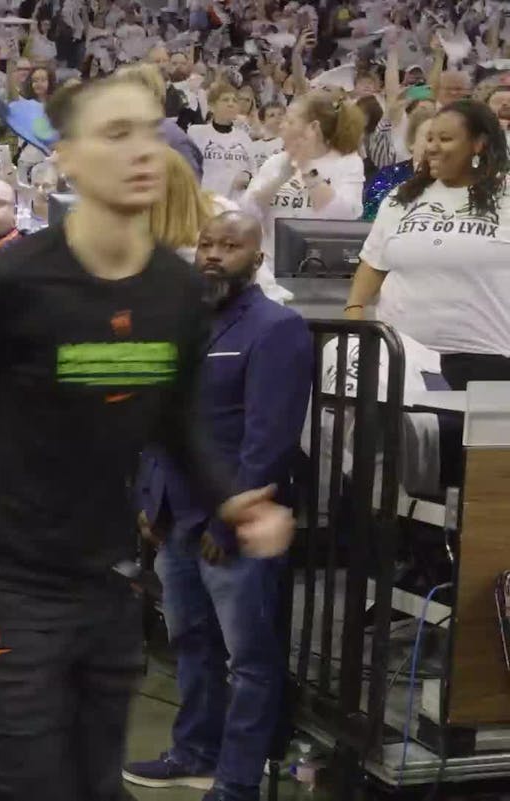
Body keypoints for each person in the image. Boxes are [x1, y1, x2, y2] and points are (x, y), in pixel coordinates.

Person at [0, 75, 296, 801]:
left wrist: (232, 501)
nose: (144, 151)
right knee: (19, 783)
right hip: (2, 582)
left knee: (92, 784)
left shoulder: (173, 290)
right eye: (115, 133)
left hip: (104, 584)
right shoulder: (8, 283)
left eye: (149, 132)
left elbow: (175, 418)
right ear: (66, 158)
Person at [124, 211, 313, 801]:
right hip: (174, 518)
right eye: (207, 243)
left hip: (230, 525)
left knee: (248, 661)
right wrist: (149, 500)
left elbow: (270, 440)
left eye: (229, 246)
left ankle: (237, 782)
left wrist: (232, 523)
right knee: (189, 645)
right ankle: (194, 752)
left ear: (256, 258)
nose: (212, 254)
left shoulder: (277, 328)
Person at [347, 99, 510, 388]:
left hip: (488, 358)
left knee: (476, 435)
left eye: (446, 139)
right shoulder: (402, 196)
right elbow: (373, 264)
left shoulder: (505, 194)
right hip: (401, 357)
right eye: (430, 138)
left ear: (479, 144)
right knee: (398, 434)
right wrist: (355, 314)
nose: (432, 147)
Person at [241, 92, 365, 304]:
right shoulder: (275, 162)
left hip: (322, 278)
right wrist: (279, 178)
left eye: (290, 121)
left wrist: (306, 167)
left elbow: (344, 217)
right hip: (270, 275)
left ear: (313, 128)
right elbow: (246, 212)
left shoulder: (348, 163)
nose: (281, 126)